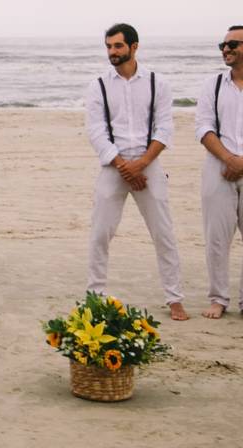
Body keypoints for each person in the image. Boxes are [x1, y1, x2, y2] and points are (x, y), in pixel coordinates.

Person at [84, 23, 188, 321]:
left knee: (163, 233)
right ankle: (95, 296)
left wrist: (141, 164)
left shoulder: (158, 83)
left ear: (134, 46)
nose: (112, 52)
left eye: (117, 46)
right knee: (100, 233)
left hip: (149, 164)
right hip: (112, 165)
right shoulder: (98, 86)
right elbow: (96, 131)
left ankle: (175, 298)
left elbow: (165, 128)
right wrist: (122, 166)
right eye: (108, 46)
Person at [195, 25, 243, 319]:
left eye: (232, 44)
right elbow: (203, 127)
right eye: (222, 45)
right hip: (218, 167)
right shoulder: (212, 84)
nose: (225, 49)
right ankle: (218, 299)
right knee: (216, 237)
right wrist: (229, 158)